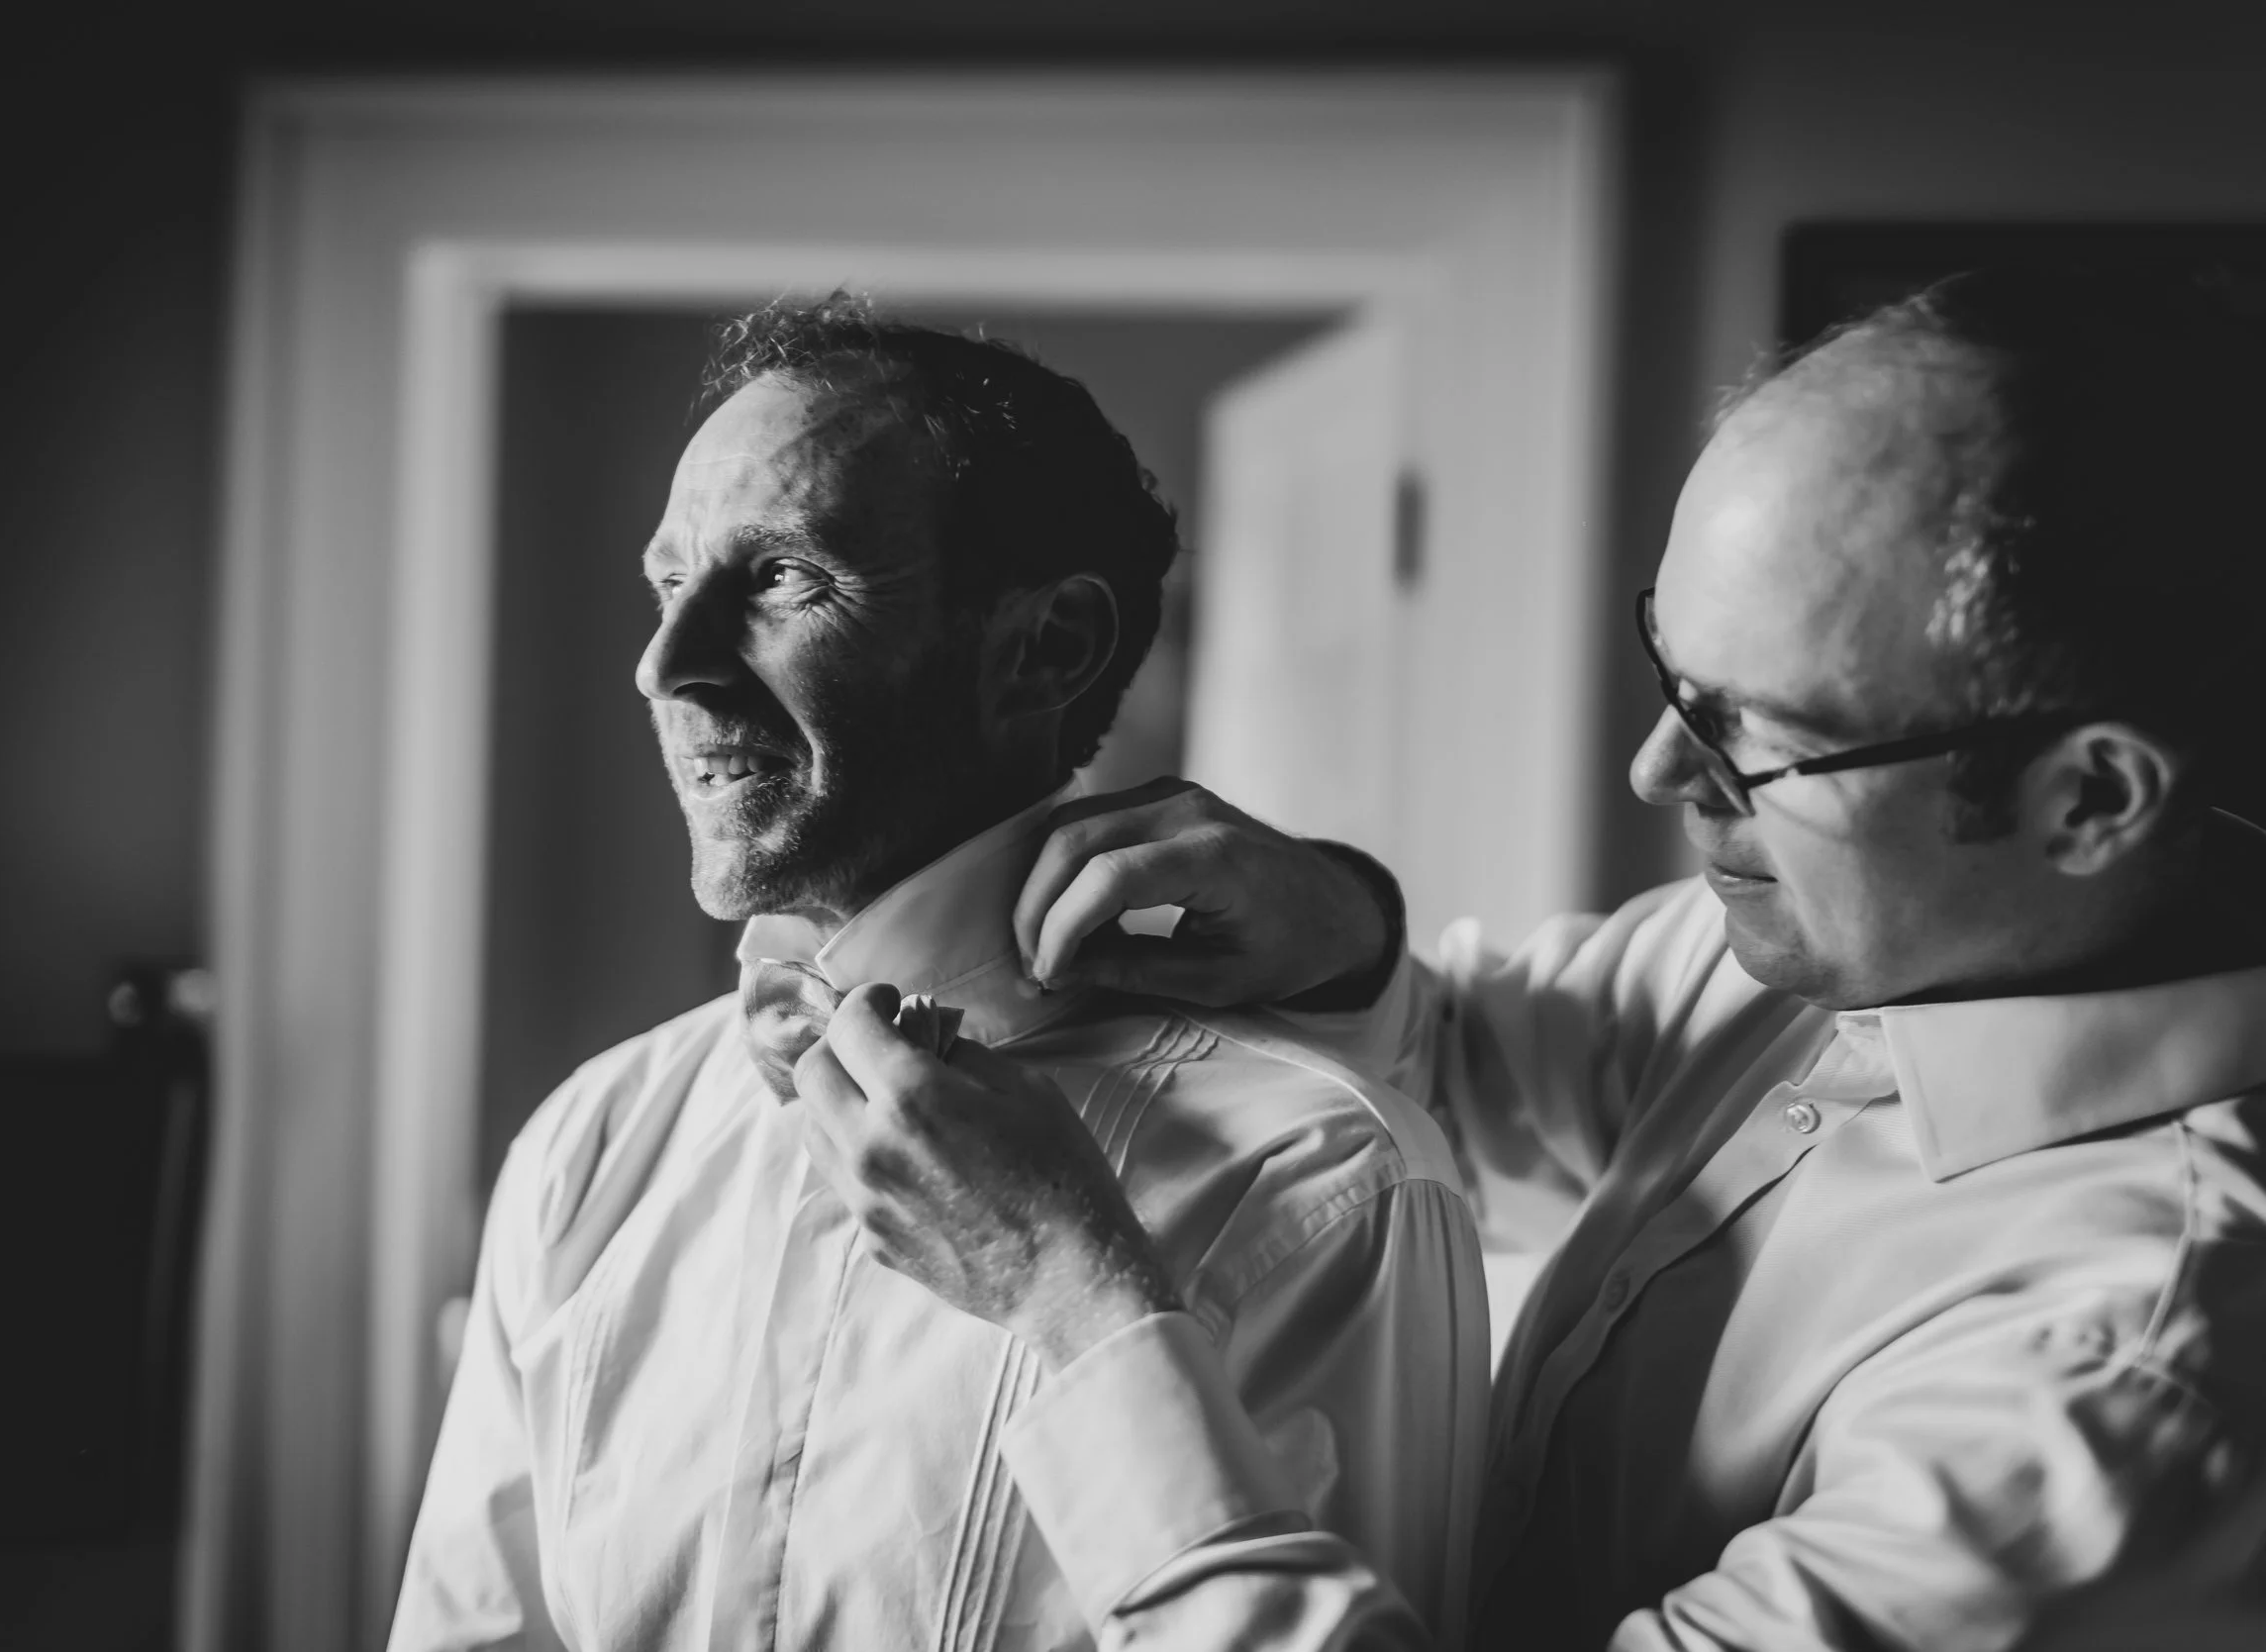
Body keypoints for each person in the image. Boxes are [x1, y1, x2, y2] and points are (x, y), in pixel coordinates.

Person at [795, 267, 2266, 1650]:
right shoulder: (1874, 932)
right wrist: (1341, 934)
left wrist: (1076, 1307)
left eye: (1758, 737)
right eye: (1673, 669)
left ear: (2088, 800)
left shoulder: (2114, 1394)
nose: (1655, 771)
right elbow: (1515, 1062)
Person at [386, 299, 1491, 1651]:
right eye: (670, 585)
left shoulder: (1325, 1180)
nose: (665, 667)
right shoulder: (589, 1145)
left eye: (781, 577)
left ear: (1048, 646)